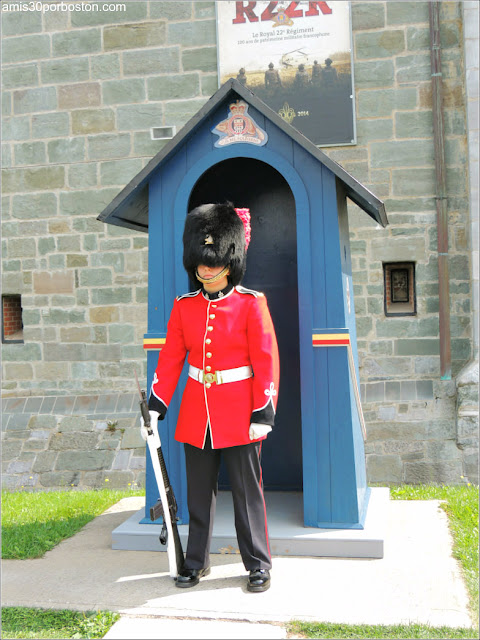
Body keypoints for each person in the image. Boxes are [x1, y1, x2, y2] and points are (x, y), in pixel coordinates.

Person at [144, 202, 280, 593]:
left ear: (229, 260)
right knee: (198, 498)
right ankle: (196, 561)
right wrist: (157, 404)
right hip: (196, 415)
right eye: (201, 262)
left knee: (246, 495)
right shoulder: (184, 307)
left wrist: (263, 410)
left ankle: (257, 563)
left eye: (214, 261)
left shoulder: (251, 304)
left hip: (241, 414)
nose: (206, 268)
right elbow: (171, 358)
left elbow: (265, 360)